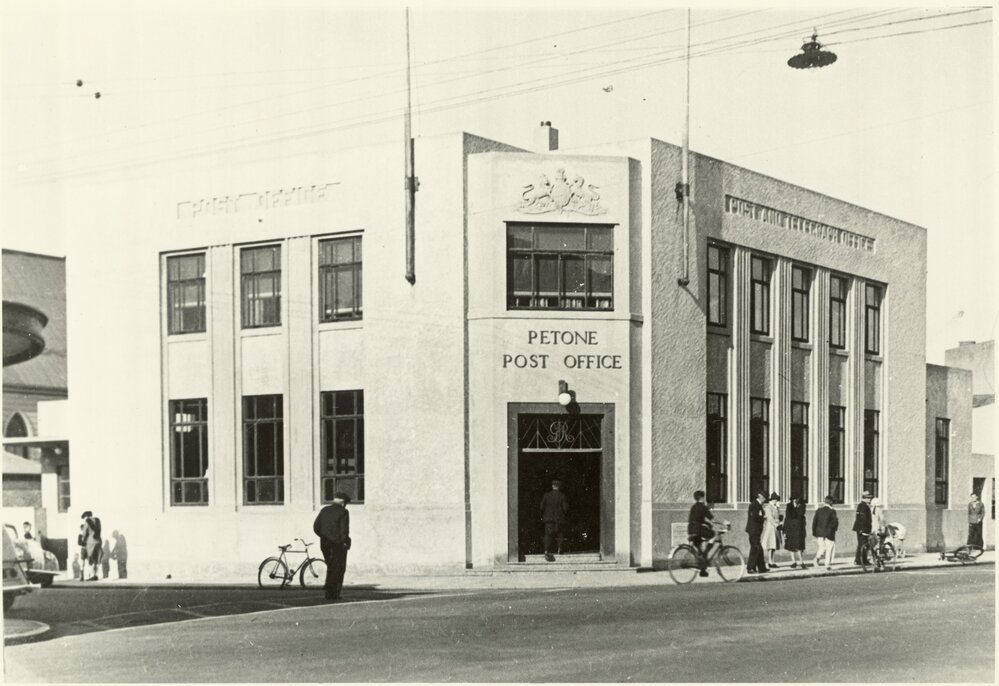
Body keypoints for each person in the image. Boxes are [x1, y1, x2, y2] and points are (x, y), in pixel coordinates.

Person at [313, 492, 351, 602]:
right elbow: (344, 530)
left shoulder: (324, 510)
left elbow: (316, 527)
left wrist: (324, 537)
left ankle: (328, 592)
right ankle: (334, 593)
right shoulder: (344, 512)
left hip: (325, 544)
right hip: (338, 545)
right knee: (339, 569)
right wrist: (343, 542)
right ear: (343, 503)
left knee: (330, 567)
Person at [687, 490, 715, 577]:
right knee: (713, 535)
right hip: (698, 529)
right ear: (702, 498)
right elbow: (711, 518)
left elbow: (695, 519)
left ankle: (703, 570)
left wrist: (706, 523)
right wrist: (722, 523)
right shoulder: (703, 506)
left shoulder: (694, 507)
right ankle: (706, 554)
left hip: (691, 530)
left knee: (699, 549)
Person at [540, 479, 569, 562]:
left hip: (548, 519)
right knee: (560, 534)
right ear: (559, 487)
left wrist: (545, 513)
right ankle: (559, 549)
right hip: (559, 519)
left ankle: (546, 550)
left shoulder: (546, 495)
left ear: (552, 486)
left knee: (548, 535)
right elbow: (565, 508)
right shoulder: (562, 496)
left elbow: (541, 507)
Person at [811, 496, 839, 570]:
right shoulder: (832, 511)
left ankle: (817, 558)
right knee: (829, 549)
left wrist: (814, 532)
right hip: (829, 533)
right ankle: (827, 565)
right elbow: (835, 523)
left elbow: (814, 522)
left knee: (822, 548)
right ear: (831, 502)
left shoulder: (819, 510)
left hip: (819, 533)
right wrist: (834, 529)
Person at [745, 492, 768, 574]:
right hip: (753, 530)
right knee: (755, 548)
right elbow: (754, 516)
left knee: (759, 548)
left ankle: (762, 568)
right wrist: (763, 518)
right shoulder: (754, 505)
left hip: (756, 530)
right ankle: (750, 568)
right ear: (761, 497)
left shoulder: (758, 505)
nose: (765, 500)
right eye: (764, 498)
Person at [783, 496, 807, 568]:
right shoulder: (789, 506)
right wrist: (784, 530)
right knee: (791, 546)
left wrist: (796, 508)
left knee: (799, 546)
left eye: (797, 498)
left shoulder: (802, 505)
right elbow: (788, 517)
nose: (796, 500)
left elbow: (800, 514)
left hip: (799, 529)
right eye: (795, 498)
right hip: (790, 528)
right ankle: (793, 562)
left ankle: (801, 561)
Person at [80, 511, 102, 581]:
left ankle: (92, 575)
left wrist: (83, 539)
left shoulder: (87, 522)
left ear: (86, 516)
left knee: (90, 559)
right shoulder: (98, 520)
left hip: (91, 542)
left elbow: (84, 533)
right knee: (96, 559)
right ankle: (95, 575)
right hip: (99, 541)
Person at [852, 491, 873, 565]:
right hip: (863, 529)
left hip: (861, 528)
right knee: (863, 545)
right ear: (865, 498)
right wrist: (863, 529)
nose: (870, 500)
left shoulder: (861, 505)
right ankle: (861, 561)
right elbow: (862, 519)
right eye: (869, 498)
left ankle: (860, 560)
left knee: (862, 544)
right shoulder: (864, 506)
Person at [763, 492, 782, 568]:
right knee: (770, 545)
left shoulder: (776, 507)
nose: (776, 501)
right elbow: (770, 518)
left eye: (776, 499)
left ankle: (772, 561)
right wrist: (776, 524)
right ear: (772, 499)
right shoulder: (768, 507)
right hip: (771, 527)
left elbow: (777, 517)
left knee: (774, 545)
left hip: (775, 528)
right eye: (775, 499)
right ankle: (770, 561)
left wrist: (780, 520)